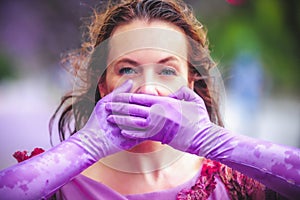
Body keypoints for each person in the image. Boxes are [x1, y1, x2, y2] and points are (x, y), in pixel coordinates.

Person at [0, 0, 299, 199]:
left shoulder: (233, 179)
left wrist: (214, 141)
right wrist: (85, 147)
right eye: (127, 69)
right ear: (104, 86)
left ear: (192, 83)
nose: (148, 89)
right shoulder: (56, 180)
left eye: (167, 70)